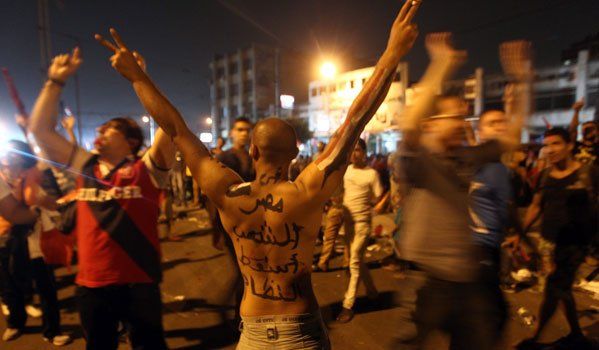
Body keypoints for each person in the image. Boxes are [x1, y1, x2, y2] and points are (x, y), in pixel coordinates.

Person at [96, 1, 419, 346]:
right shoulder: (308, 191)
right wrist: (391, 53)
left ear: (252, 151)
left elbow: (175, 129)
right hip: (301, 331)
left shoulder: (226, 190)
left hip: (252, 333)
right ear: (296, 152)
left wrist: (137, 77)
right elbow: (354, 122)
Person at [29, 47, 176, 350]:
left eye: (109, 129)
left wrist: (140, 78)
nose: (99, 131)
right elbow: (40, 131)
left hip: (139, 282)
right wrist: (54, 82)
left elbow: (170, 125)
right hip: (92, 285)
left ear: (131, 141)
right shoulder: (86, 165)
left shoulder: (146, 169)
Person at [399, 35, 531, 349]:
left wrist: (524, 82)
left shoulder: (466, 158)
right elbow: (410, 125)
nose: (462, 123)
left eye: (463, 116)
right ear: (433, 123)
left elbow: (512, 138)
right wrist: (441, 64)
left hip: (469, 282)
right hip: (428, 283)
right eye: (454, 117)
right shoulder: (419, 162)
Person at [516, 128, 598, 349]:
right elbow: (536, 206)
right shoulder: (545, 175)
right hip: (548, 243)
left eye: (556, 144)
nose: (549, 150)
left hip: (574, 245)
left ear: (570, 145)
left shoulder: (588, 173)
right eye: (546, 145)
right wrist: (519, 233)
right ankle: (577, 335)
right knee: (560, 290)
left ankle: (536, 336)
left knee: (555, 289)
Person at [0, 140, 72, 346]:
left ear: (23, 157)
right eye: (6, 154)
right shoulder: (2, 178)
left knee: (46, 287)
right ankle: (15, 324)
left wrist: (41, 200)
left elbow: (55, 201)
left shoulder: (37, 175)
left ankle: (52, 330)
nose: (8, 157)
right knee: (10, 286)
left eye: (13, 154)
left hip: (36, 241)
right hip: (6, 238)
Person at [336, 138, 384, 323]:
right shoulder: (346, 171)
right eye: (352, 150)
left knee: (354, 260)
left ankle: (348, 305)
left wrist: (377, 205)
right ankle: (372, 291)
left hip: (363, 224)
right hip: (348, 223)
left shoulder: (372, 174)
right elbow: (340, 192)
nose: (354, 154)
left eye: (357, 150)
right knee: (358, 260)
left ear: (364, 152)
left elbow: (379, 195)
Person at [568, 100, 598, 165]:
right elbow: (572, 130)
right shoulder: (575, 145)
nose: (588, 131)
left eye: (591, 129)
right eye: (586, 129)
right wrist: (576, 111)